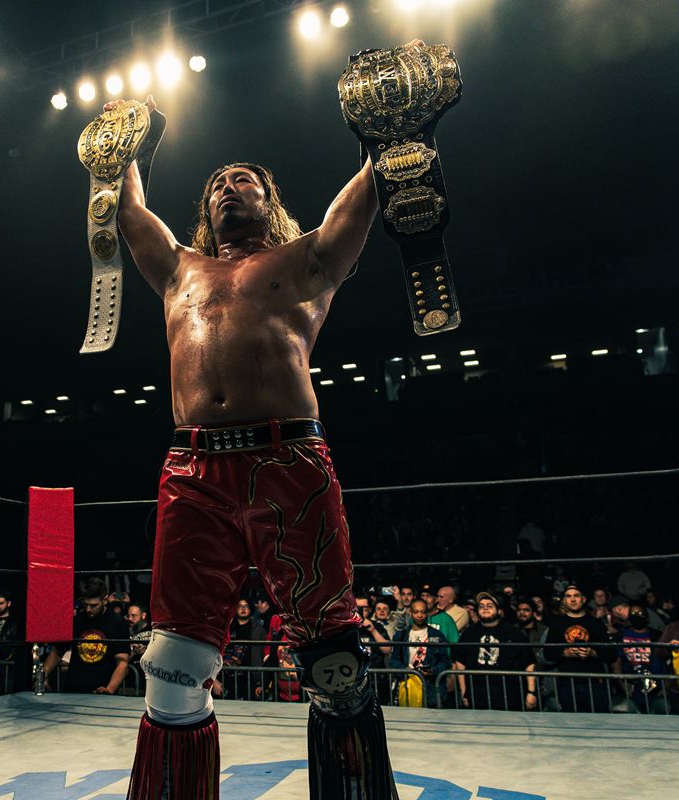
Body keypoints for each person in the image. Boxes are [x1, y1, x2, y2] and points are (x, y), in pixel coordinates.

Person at [106, 64, 407, 795]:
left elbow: (360, 202)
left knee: (335, 664)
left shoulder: (304, 261)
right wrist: (128, 146)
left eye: (244, 181)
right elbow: (126, 213)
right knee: (172, 667)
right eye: (217, 183)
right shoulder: (179, 271)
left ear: (270, 202)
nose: (228, 187)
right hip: (192, 471)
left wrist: (391, 137)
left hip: (288, 460)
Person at [41, 578, 131, 695]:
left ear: (105, 600)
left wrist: (110, 689)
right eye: (85, 604)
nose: (88, 609)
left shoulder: (118, 623)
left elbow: (122, 663)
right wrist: (43, 675)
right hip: (74, 689)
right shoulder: (76, 621)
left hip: (102, 690)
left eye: (93, 605)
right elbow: (57, 652)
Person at [454, 593, 536, 711]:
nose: (485, 608)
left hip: (509, 697)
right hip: (477, 697)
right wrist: (464, 692)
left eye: (490, 606)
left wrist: (531, 692)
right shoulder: (469, 633)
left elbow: (529, 663)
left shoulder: (513, 633)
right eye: (481, 606)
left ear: (499, 611)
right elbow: (460, 663)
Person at [543, 585, 616, 712]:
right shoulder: (556, 624)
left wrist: (592, 653)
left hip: (594, 682)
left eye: (576, 596)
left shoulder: (596, 623)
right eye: (568, 596)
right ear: (564, 600)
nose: (572, 599)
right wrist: (565, 653)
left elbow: (611, 654)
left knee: (599, 719)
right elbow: (548, 653)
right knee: (572, 719)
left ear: (584, 599)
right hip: (568, 682)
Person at [389, 600, 452, 708]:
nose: (419, 615)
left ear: (427, 613)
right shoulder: (401, 636)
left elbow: (445, 661)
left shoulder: (437, 635)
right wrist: (404, 670)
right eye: (416, 612)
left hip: (431, 689)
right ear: (410, 613)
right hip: (407, 687)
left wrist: (432, 671)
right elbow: (394, 660)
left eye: (423, 612)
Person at [616, 603, 666, 713]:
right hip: (631, 686)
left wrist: (664, 687)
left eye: (639, 613)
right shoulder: (622, 635)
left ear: (646, 616)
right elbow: (617, 662)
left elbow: (664, 661)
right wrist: (622, 684)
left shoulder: (656, 635)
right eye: (633, 613)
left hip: (654, 686)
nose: (636, 616)